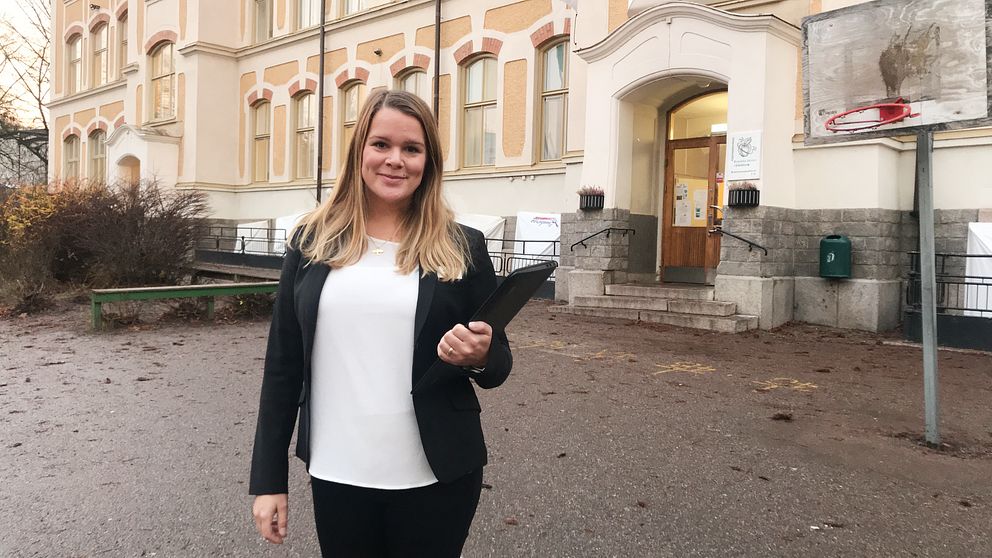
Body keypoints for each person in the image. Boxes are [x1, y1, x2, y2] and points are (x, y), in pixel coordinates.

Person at [249, 89, 512, 557]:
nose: (395, 160)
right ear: (359, 152)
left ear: (428, 161)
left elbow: (498, 364)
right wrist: (268, 480)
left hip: (436, 472)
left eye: (411, 149)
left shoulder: (462, 245)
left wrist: (482, 355)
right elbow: (282, 368)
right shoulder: (312, 242)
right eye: (381, 145)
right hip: (338, 470)